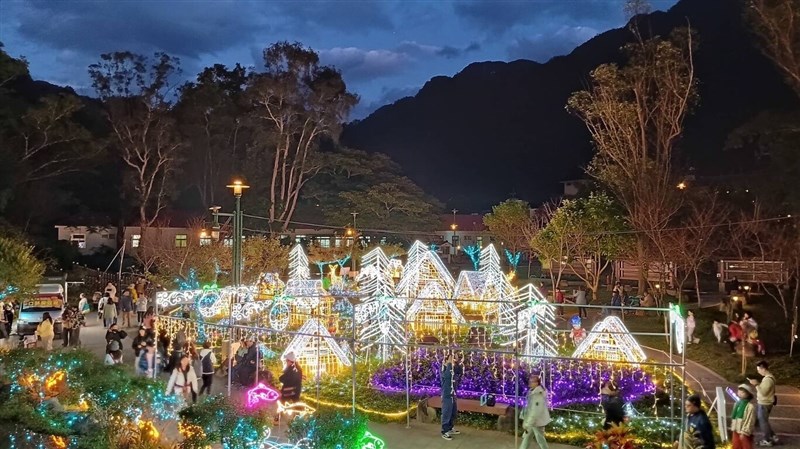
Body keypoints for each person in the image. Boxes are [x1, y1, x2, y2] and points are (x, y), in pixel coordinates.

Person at [749, 361, 778, 446]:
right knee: (762, 421)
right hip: (764, 403)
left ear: (763, 369)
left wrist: (756, 384)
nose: (758, 372)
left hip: (764, 404)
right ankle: (772, 436)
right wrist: (758, 384)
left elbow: (763, 393)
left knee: (763, 422)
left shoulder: (768, 379)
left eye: (759, 370)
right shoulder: (768, 378)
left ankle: (767, 440)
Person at [520, 375, 551, 449]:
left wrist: (528, 423)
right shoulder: (532, 392)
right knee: (527, 437)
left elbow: (535, 411)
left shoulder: (538, 394)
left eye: (532, 382)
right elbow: (528, 407)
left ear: (537, 383)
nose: (530, 383)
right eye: (530, 381)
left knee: (540, 439)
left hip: (537, 421)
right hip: (533, 420)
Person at [440, 352, 460, 440]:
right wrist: (449, 363)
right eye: (451, 361)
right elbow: (447, 376)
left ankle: (450, 428)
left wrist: (457, 361)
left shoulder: (452, 369)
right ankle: (444, 431)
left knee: (453, 412)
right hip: (447, 395)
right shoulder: (444, 369)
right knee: (446, 413)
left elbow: (459, 371)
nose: (452, 363)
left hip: (453, 395)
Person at [731, 383, 757, 449]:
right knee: (736, 445)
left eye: (743, 392)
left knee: (746, 446)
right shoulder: (736, 404)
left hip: (744, 431)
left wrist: (744, 432)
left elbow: (750, 420)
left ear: (748, 394)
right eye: (739, 391)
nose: (740, 393)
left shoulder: (750, 406)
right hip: (736, 429)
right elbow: (734, 417)